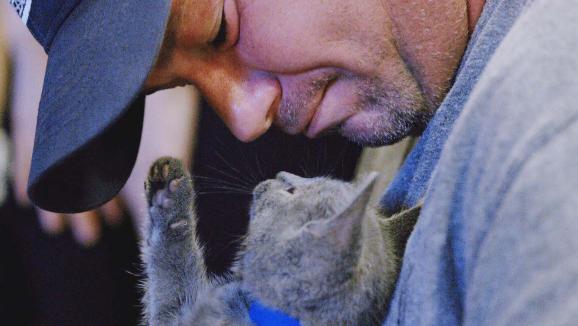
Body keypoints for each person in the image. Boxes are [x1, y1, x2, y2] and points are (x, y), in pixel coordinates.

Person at [6, 0, 578, 325]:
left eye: (222, 28)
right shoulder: (413, 114)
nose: (246, 118)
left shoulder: (541, 140)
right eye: (183, 83)